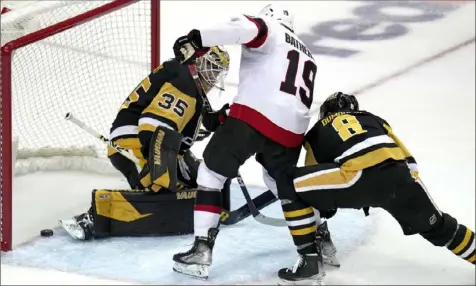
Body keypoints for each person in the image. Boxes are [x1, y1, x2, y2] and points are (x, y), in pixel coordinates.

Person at [170, 3, 338, 280]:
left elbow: (243, 28)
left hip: (253, 118)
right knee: (282, 185)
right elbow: (279, 93)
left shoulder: (268, 27)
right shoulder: (306, 53)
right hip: (292, 131)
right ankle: (318, 248)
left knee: (211, 173)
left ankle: (201, 251)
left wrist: (196, 39)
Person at [280, 91, 476, 284]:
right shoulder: (373, 119)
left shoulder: (316, 133)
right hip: (400, 177)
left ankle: (309, 261)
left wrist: (326, 212)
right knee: (440, 227)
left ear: (324, 114)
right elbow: (410, 164)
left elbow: (314, 181)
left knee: (290, 185)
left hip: (356, 178)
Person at [59, 47, 232, 240]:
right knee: (161, 193)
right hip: (135, 143)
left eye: (217, 72)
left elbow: (204, 119)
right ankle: (93, 218)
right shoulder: (185, 84)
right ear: (199, 62)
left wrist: (224, 117)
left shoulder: (188, 79)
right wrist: (159, 169)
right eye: (211, 69)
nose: (214, 77)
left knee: (203, 180)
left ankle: (202, 205)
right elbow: (153, 125)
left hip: (157, 143)